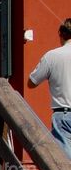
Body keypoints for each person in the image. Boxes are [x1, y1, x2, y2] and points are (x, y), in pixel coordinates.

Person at [30, 18, 71, 157]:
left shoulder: (52, 56)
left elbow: (32, 82)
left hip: (63, 114)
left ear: (61, 35)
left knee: (64, 161)